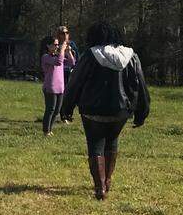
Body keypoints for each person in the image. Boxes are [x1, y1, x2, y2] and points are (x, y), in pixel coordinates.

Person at [61, 21, 150, 200]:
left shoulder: (90, 55)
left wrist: (67, 107)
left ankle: (99, 186)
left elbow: (75, 82)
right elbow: (141, 85)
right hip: (121, 111)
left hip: (92, 110)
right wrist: (142, 111)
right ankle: (107, 180)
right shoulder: (131, 55)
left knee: (95, 145)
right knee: (112, 142)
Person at [40, 33, 75, 136]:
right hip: (50, 87)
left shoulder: (57, 56)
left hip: (60, 88)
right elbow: (59, 62)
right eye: (54, 44)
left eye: (57, 44)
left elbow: (72, 63)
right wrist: (63, 50)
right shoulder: (46, 57)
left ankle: (50, 129)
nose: (56, 46)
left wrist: (68, 52)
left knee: (57, 110)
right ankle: (46, 130)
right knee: (50, 109)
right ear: (48, 46)